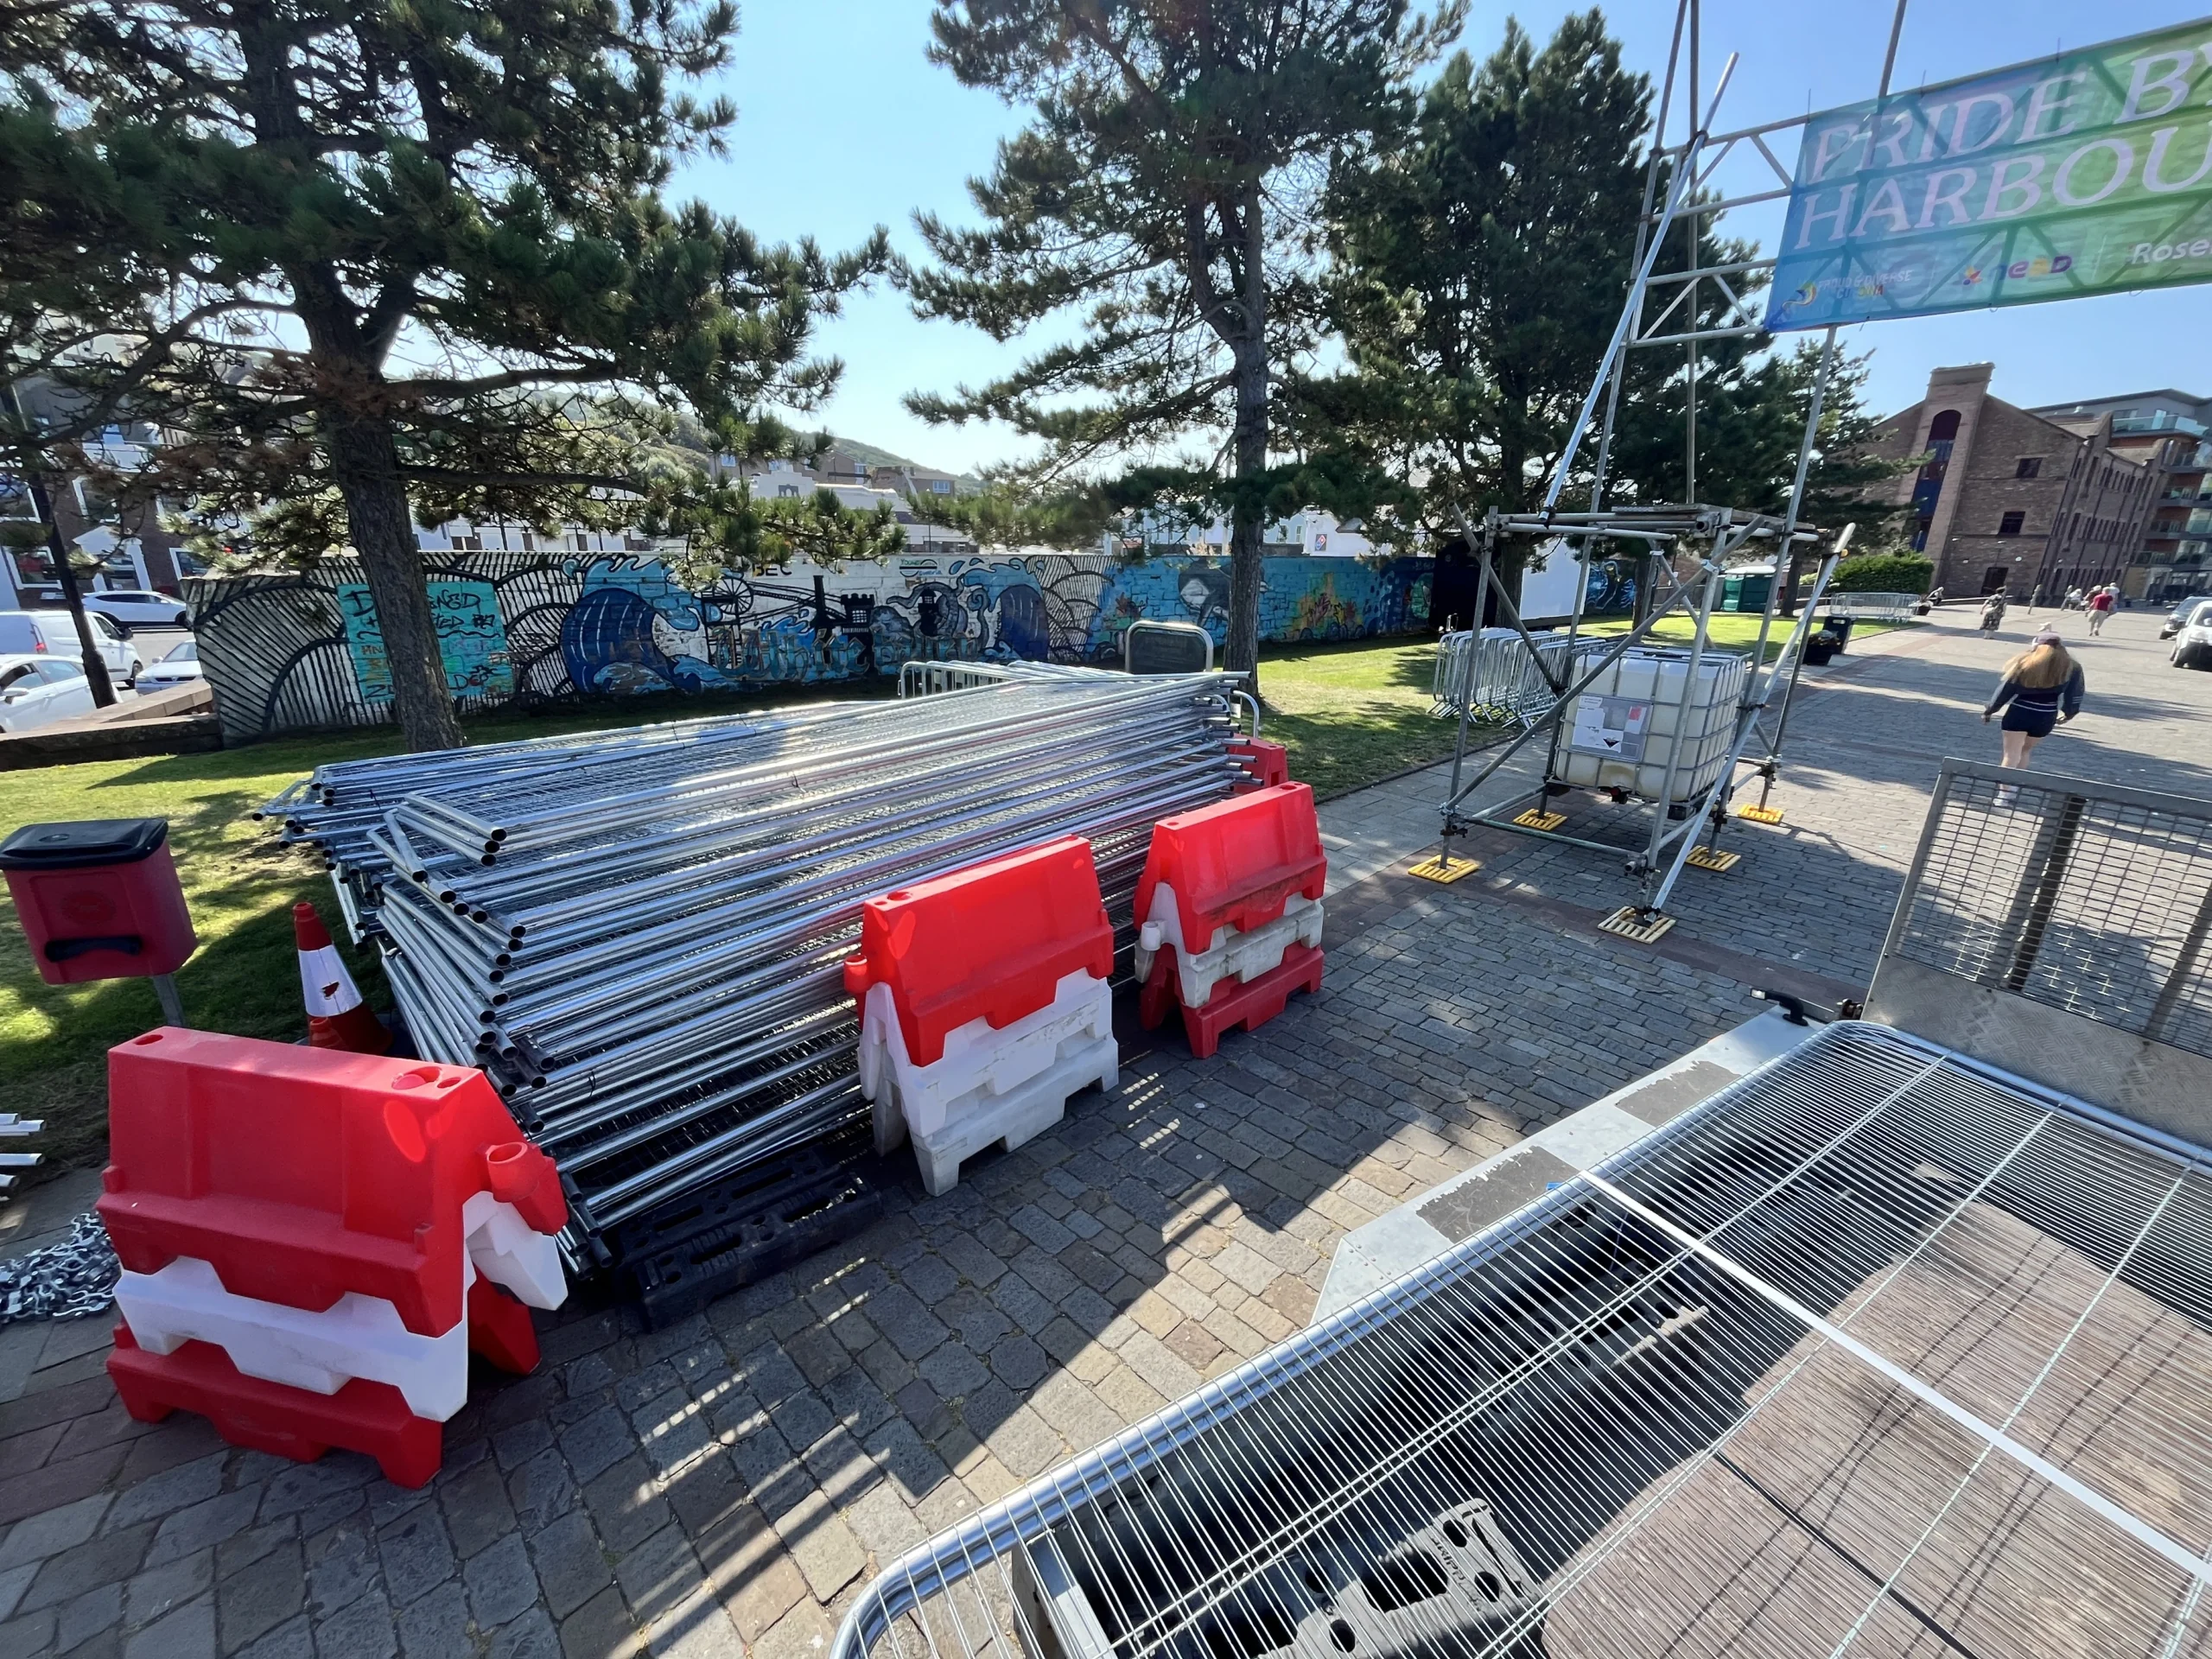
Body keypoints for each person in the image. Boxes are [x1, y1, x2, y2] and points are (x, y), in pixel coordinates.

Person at [1983, 629, 2083, 797]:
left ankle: (2004, 794)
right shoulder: (2072, 667)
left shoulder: (2026, 662)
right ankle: (2014, 786)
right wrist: (2069, 713)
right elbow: (2075, 693)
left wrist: (1990, 710)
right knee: (2025, 751)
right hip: (2046, 714)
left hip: (2020, 710)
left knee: (2011, 753)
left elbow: (2006, 690)